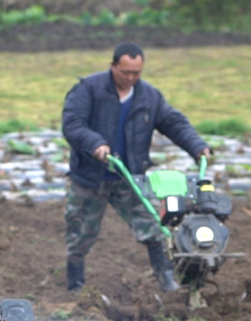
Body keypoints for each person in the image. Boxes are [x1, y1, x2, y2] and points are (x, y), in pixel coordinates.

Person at [61, 41, 212, 292]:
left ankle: (167, 280)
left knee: (154, 227)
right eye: (125, 72)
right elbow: (73, 125)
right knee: (80, 233)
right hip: (90, 177)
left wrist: (197, 147)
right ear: (113, 66)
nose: (131, 78)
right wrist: (95, 144)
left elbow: (173, 123)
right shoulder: (88, 89)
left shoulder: (149, 97)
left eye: (136, 73)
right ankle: (75, 285)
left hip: (129, 177)